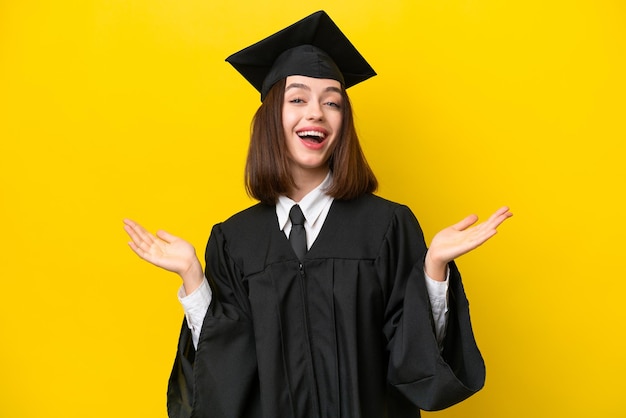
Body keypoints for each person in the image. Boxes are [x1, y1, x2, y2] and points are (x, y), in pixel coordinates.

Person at [123, 10, 512, 418]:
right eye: (297, 99)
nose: (316, 113)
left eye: (332, 102)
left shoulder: (386, 227)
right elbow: (227, 370)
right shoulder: (234, 240)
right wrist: (193, 279)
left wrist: (433, 269)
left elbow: (412, 361)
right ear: (272, 117)